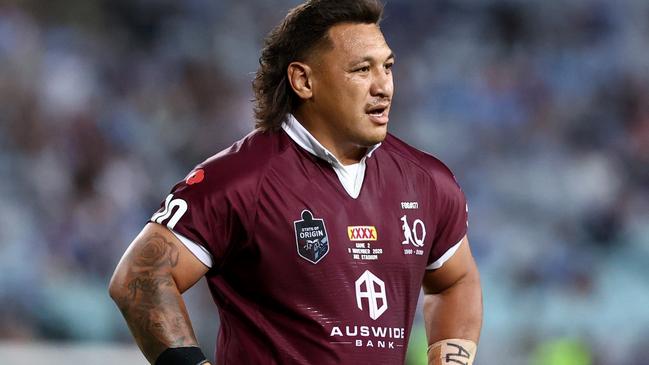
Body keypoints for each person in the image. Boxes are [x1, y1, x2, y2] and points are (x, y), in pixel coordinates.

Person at [108, 0, 483, 364]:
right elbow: (140, 276)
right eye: (361, 70)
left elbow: (456, 280)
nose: (383, 86)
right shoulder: (239, 180)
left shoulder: (427, 183)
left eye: (387, 67)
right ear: (303, 81)